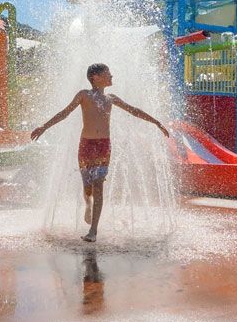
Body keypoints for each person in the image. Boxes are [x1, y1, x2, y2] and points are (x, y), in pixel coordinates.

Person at [30, 63, 169, 243]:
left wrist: (156, 122)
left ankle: (93, 230)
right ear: (95, 77)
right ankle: (88, 205)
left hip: (104, 146)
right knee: (88, 189)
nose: (112, 76)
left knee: (98, 186)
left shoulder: (111, 98)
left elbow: (133, 110)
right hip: (86, 146)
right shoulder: (84, 95)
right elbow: (64, 113)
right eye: (108, 73)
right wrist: (44, 126)